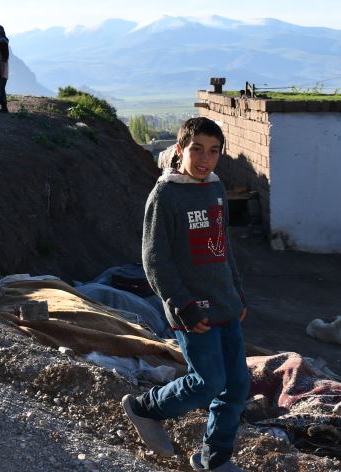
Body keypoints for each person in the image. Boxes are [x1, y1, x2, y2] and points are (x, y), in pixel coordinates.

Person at [121, 117, 248, 471]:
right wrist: (184, 306)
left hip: (226, 305)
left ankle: (214, 459)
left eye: (213, 151)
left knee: (236, 387)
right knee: (208, 381)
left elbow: (224, 248)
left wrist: (237, 292)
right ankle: (145, 409)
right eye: (197, 149)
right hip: (192, 311)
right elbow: (154, 259)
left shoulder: (216, 189)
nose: (204, 159)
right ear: (180, 150)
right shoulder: (166, 195)